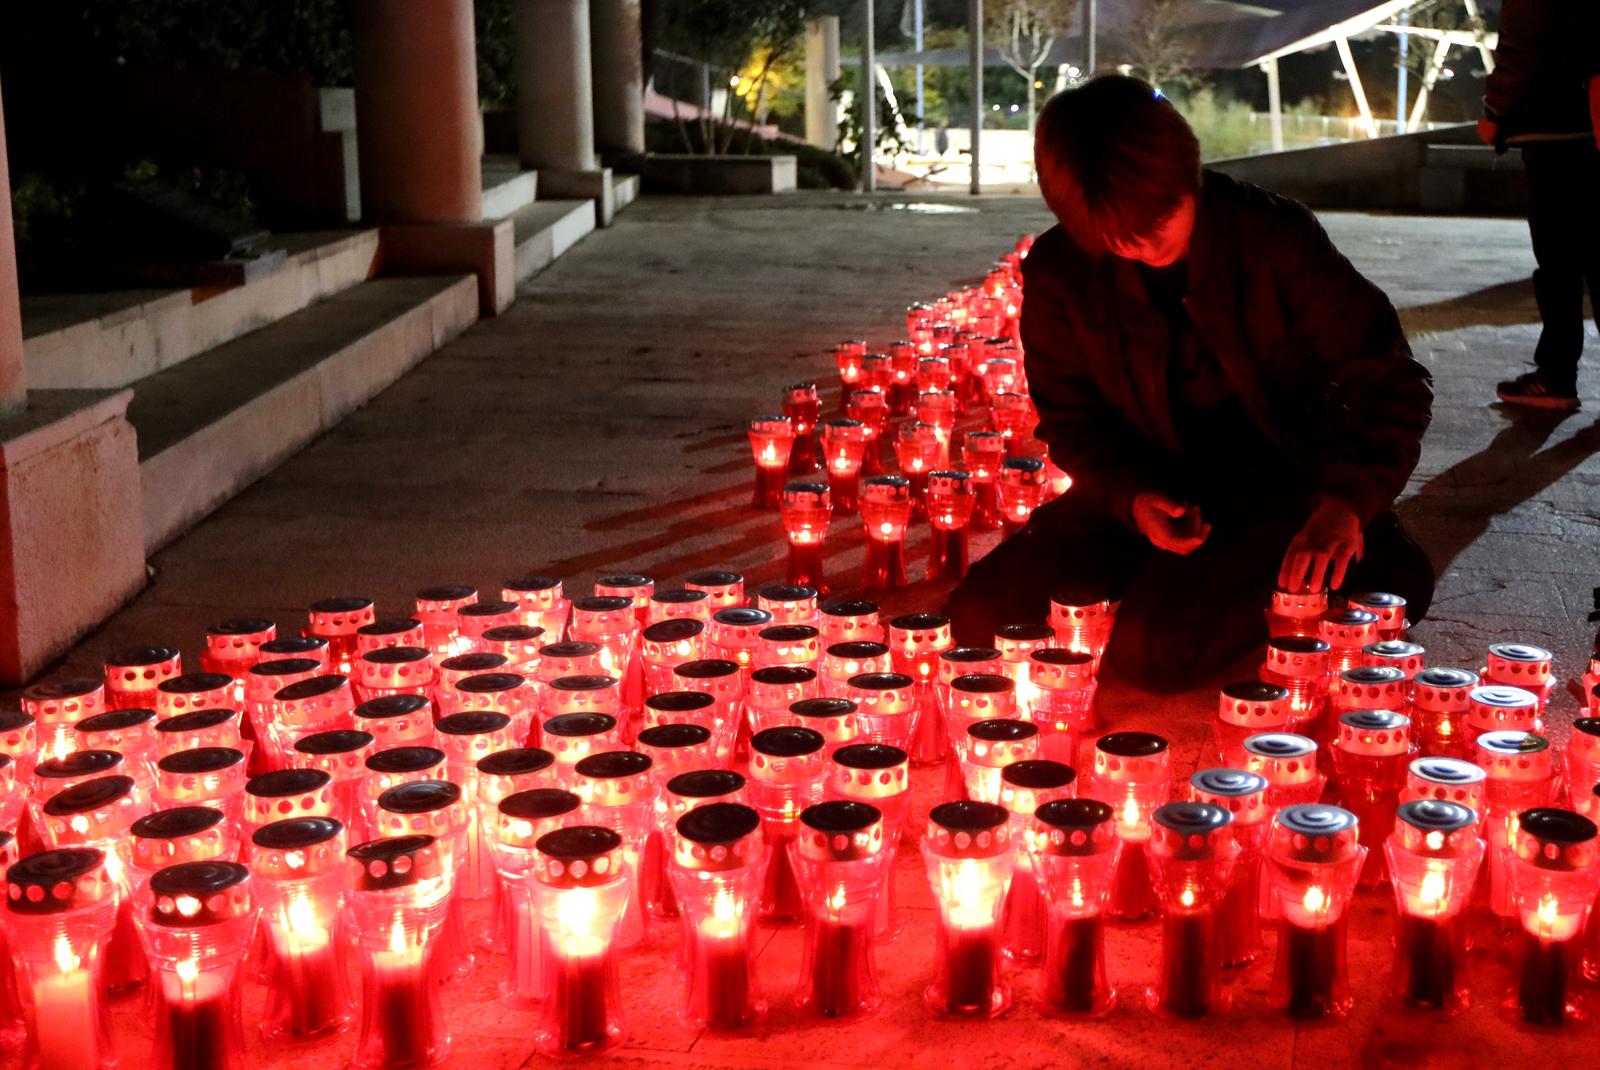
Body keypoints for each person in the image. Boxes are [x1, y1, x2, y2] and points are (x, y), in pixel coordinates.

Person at [942, 75, 1435, 693]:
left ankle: (1367, 556)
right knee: (981, 614)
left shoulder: (1272, 238)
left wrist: (1347, 501)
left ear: (1187, 175)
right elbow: (1072, 417)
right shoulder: (1062, 270)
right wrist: (1132, 498)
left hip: (1277, 487)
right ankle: (1186, 575)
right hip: (1153, 491)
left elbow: (1392, 381)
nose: (1138, 242)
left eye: (1157, 218)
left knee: (1155, 655)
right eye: (1111, 233)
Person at [1480, 0, 1600, 409]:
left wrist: (1494, 110)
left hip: (1553, 124)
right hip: (1591, 124)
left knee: (1558, 262)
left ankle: (1556, 377)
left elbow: (1522, 45)